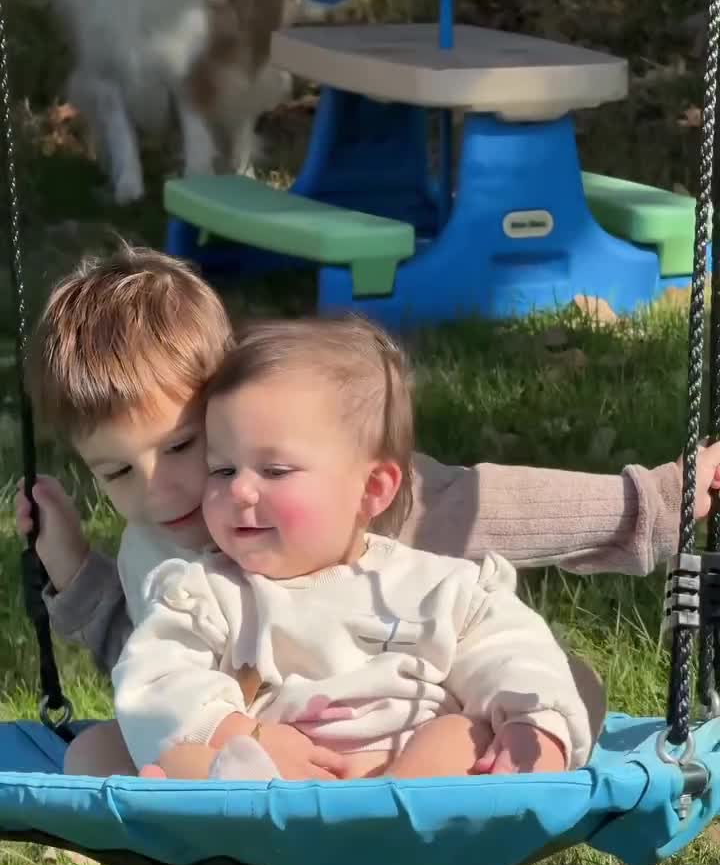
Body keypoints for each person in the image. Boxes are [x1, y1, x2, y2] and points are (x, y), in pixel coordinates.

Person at [15, 244, 720, 776]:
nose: (156, 490)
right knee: (96, 751)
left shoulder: (344, 494)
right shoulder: (158, 549)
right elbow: (145, 663)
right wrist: (71, 569)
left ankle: (408, 810)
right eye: (115, 472)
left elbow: (496, 509)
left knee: (564, 686)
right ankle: (223, 815)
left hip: (397, 728)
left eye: (183, 448)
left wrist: (657, 503)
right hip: (260, 756)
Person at [112, 315, 594, 783]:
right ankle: (243, 796)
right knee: (174, 754)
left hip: (406, 767)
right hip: (276, 774)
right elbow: (157, 679)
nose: (238, 490)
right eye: (222, 470)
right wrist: (242, 733)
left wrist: (535, 725)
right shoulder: (208, 594)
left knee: (461, 735)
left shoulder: (439, 588)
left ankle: (386, 810)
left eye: (274, 471)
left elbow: (513, 650)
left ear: (372, 490)